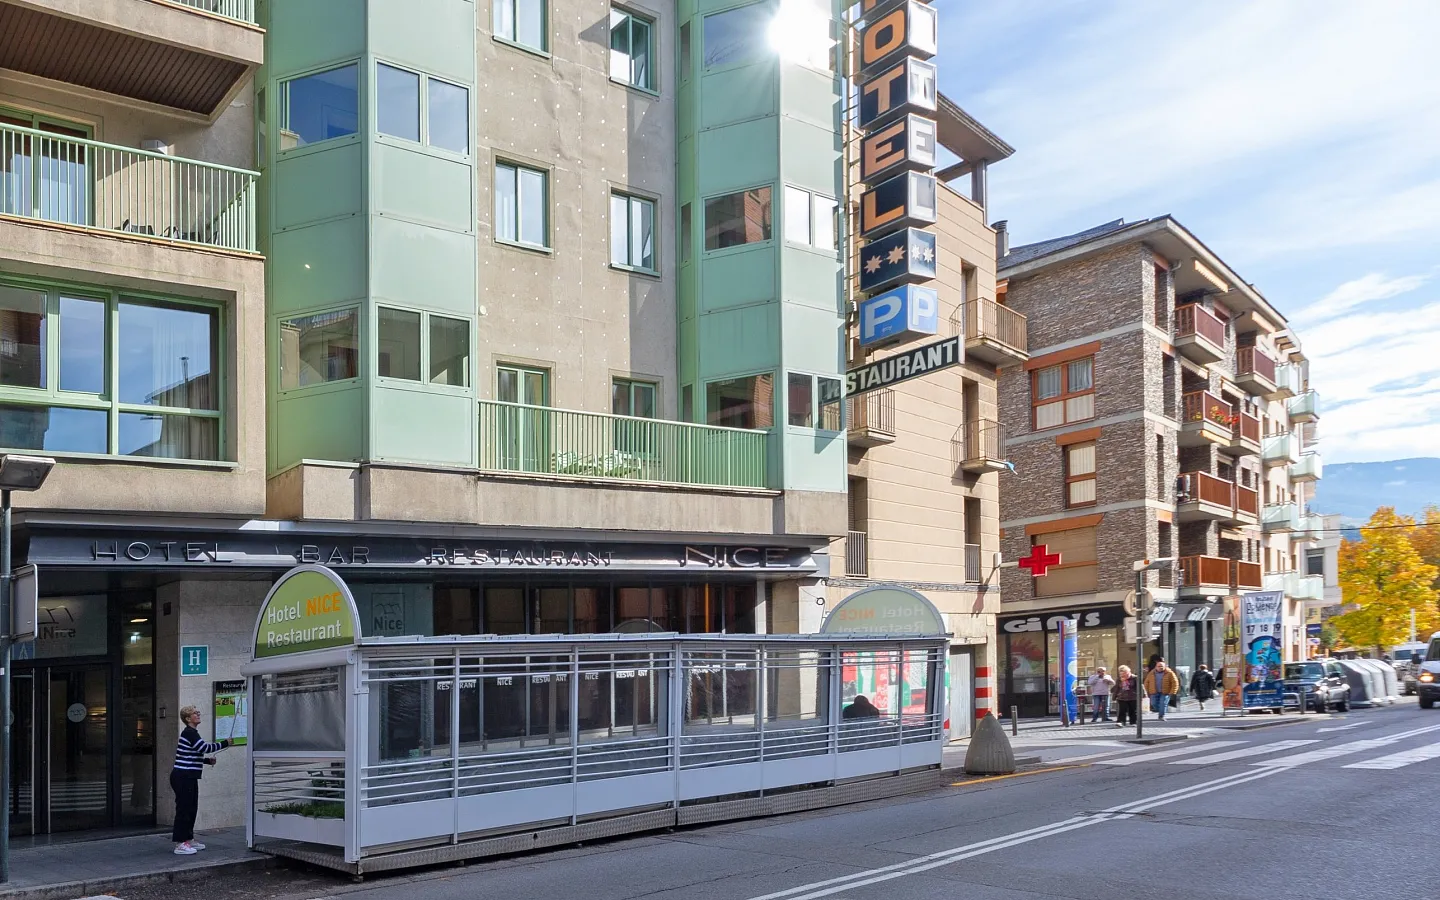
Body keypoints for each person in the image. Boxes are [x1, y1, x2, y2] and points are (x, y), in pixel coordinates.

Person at [172, 705, 228, 855]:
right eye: (194, 713)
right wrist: (225, 743)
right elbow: (204, 748)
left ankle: (188, 839)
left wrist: (207, 761)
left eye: (198, 712)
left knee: (191, 809)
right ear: (188, 719)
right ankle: (180, 843)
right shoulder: (189, 733)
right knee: (184, 810)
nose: (198, 714)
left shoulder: (192, 733)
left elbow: (189, 755)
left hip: (188, 776)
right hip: (183, 777)